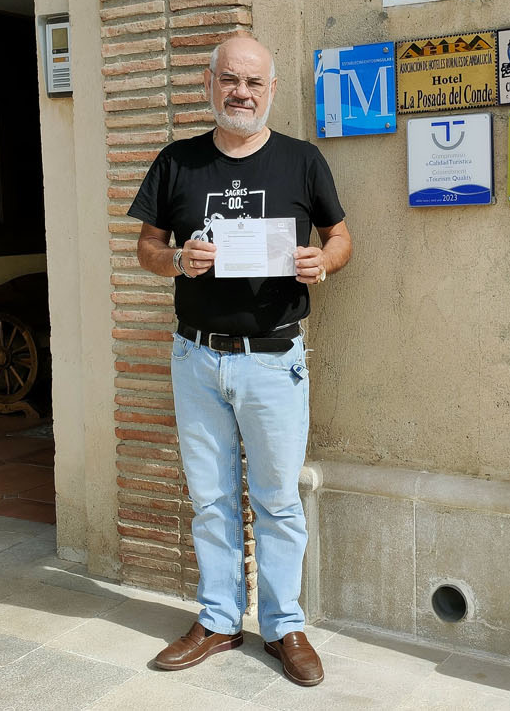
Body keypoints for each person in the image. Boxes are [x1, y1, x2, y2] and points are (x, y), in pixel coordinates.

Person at [126, 35, 352, 687]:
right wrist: (175, 259)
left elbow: (339, 237)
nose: (241, 92)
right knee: (211, 498)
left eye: (253, 82)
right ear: (209, 82)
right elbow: (145, 245)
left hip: (273, 359)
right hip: (195, 357)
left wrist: (322, 262)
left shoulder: (302, 162)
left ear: (271, 89)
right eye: (230, 79)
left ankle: (283, 625)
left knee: (277, 500)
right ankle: (220, 618)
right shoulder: (177, 163)